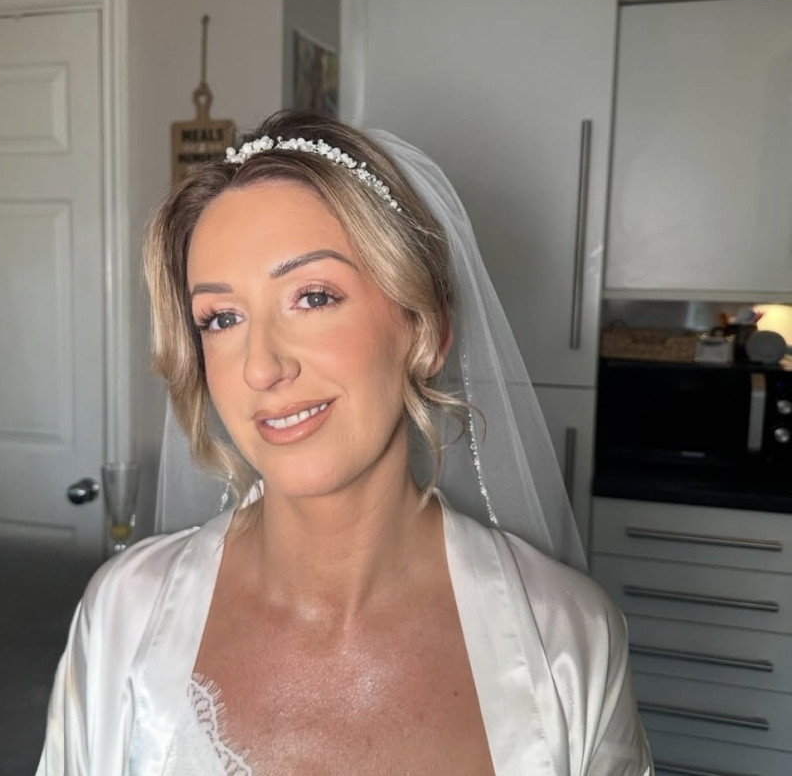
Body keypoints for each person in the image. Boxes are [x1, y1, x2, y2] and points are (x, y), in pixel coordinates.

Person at [36, 111, 652, 775]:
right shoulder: (124, 616)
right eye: (221, 318)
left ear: (424, 329)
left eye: (313, 297)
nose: (261, 368)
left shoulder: (568, 645)